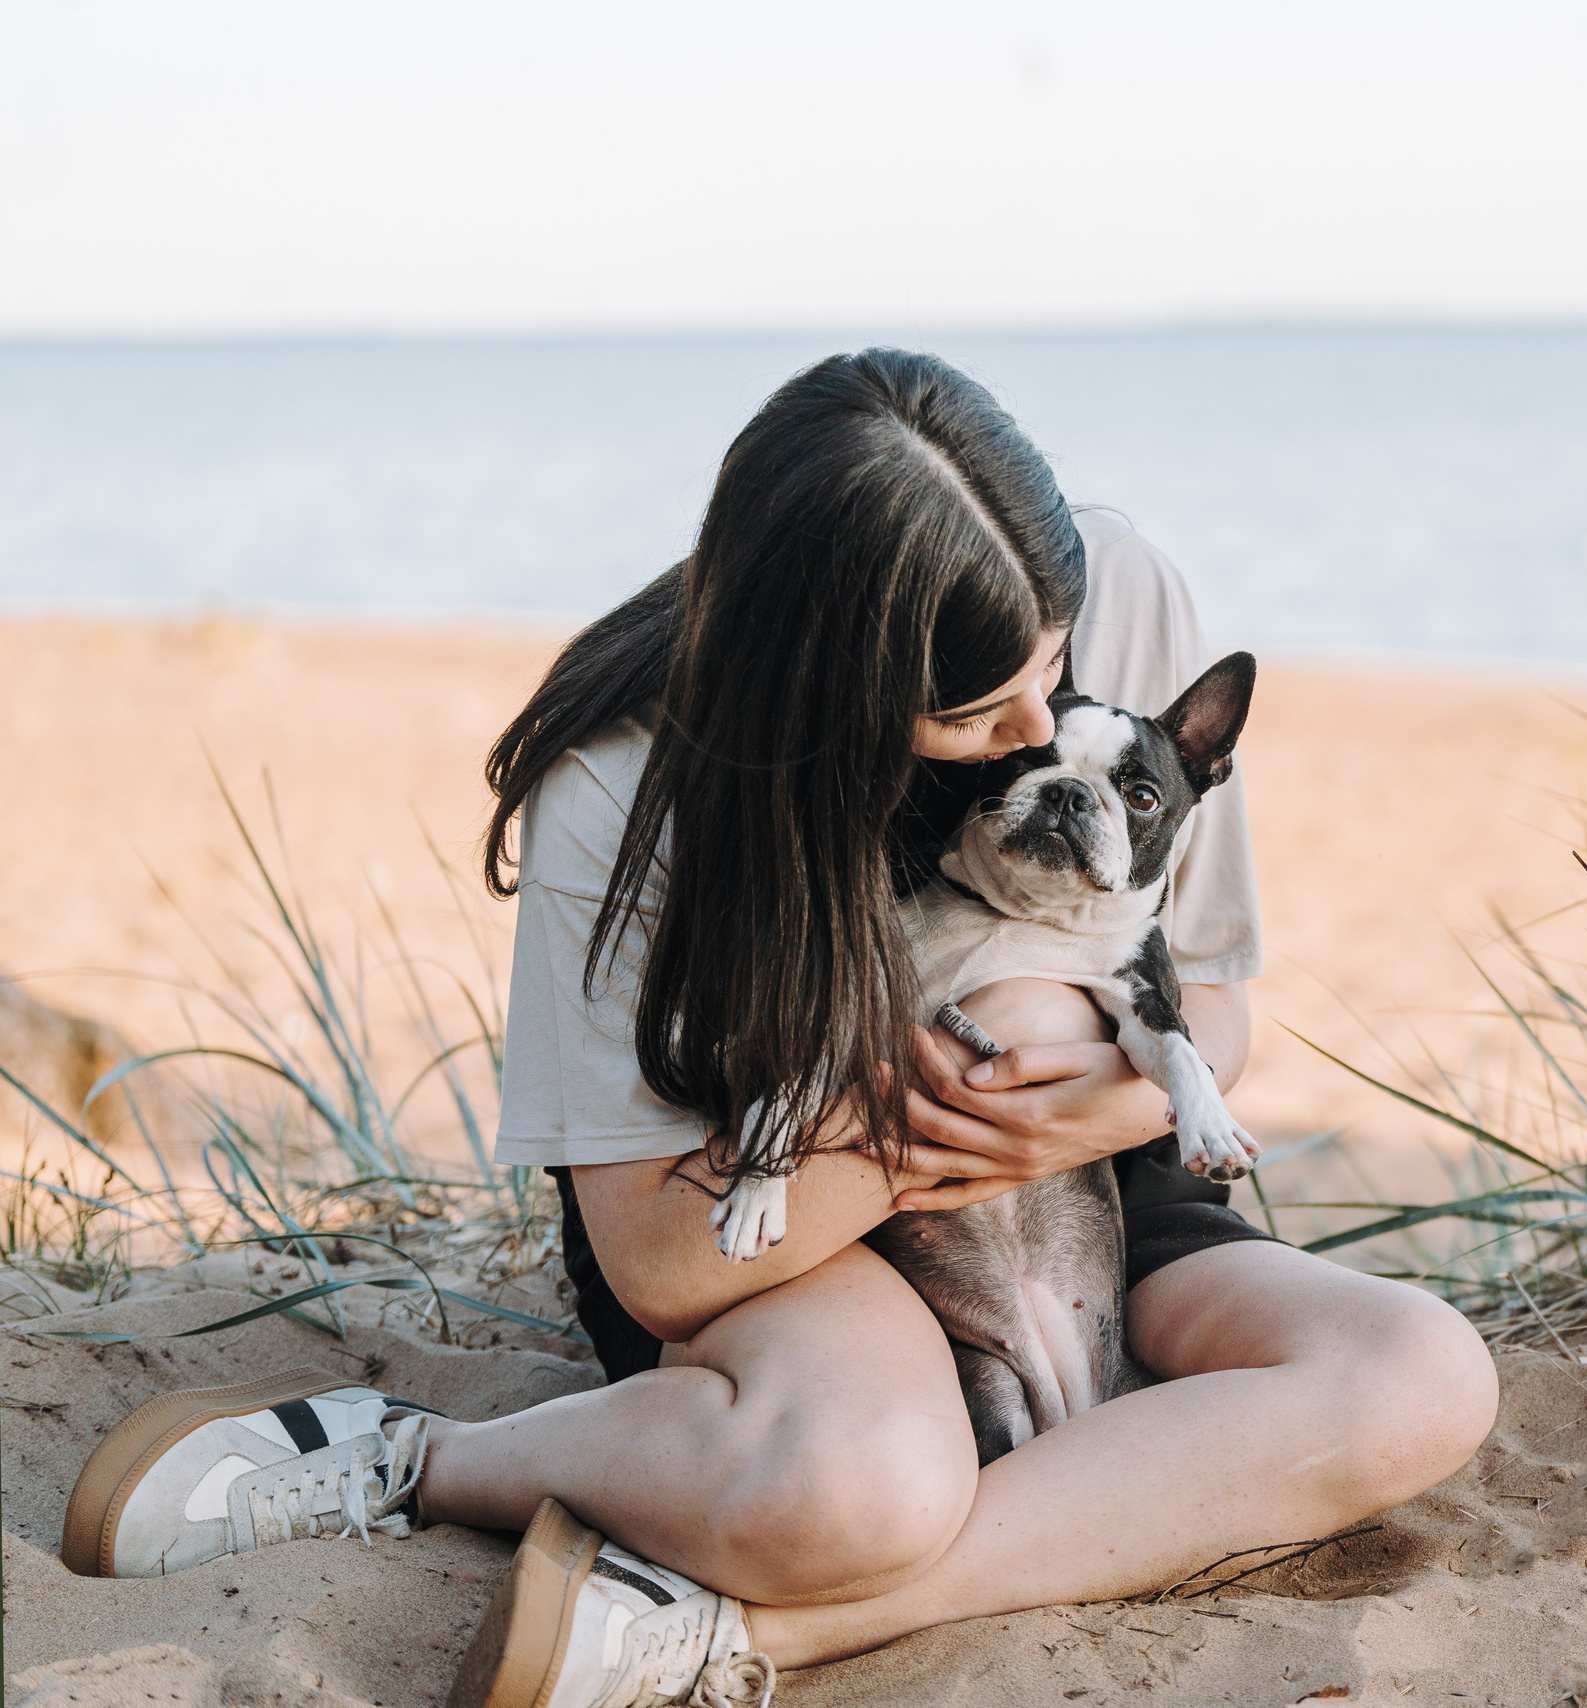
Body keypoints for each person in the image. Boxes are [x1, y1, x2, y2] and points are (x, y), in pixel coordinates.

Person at [62, 351, 1500, 1708]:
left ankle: (752, 1629)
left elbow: (1220, 1009)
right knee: (861, 1488)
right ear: (834, 689)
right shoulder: (624, 789)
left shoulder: (1122, 588)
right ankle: (421, 1454)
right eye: (972, 709)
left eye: (1051, 680)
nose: (1025, 734)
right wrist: (924, 1132)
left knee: (1421, 1378)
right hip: (760, 1209)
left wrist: (1107, 1108)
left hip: (1085, 1182)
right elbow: (660, 1264)